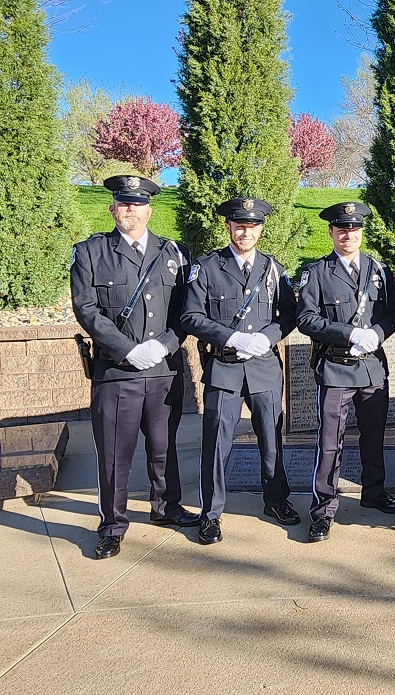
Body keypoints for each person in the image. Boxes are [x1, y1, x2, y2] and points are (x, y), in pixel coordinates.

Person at [70, 175, 198, 560]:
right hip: (116, 373)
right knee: (114, 453)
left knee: (164, 448)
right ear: (113, 209)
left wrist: (164, 345)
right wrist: (127, 350)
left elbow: (186, 312)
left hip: (163, 370)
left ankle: (166, 507)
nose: (131, 210)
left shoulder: (174, 252)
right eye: (123, 204)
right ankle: (112, 524)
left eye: (137, 204)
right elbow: (86, 309)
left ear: (149, 210)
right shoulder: (91, 252)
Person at [180, 197, 299, 545]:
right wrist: (230, 337)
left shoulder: (273, 269)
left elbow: (288, 314)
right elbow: (190, 316)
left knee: (270, 440)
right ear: (229, 227)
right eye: (239, 225)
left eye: (252, 226)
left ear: (261, 229)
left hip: (263, 368)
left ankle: (275, 500)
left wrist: (268, 337)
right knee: (216, 442)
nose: (245, 231)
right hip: (224, 368)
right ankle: (211, 513)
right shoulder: (207, 267)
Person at [296, 201, 395, 543]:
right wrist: (348, 333)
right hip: (335, 367)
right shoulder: (316, 273)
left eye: (354, 229)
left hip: (371, 366)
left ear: (361, 232)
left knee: (375, 436)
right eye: (342, 229)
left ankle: (374, 491)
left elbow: (393, 314)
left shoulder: (380, 271)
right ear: (331, 233)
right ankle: (324, 507)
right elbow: (306, 319)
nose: (348, 235)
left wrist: (377, 333)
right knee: (330, 442)